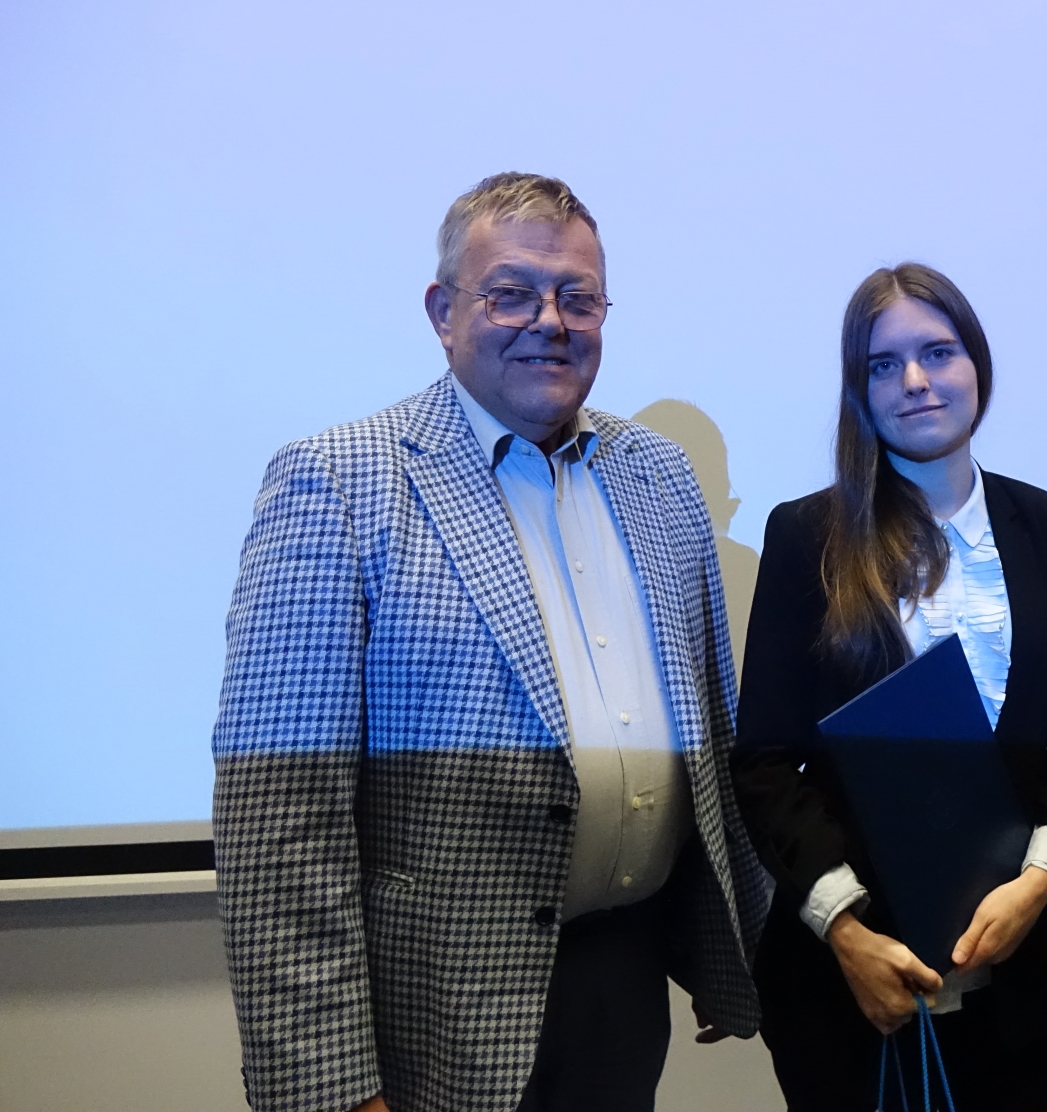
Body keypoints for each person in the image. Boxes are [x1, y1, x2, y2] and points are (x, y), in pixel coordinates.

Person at [212, 173, 770, 1112]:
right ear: (444, 312)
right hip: (432, 1019)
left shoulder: (659, 477)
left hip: (624, 979)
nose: (550, 321)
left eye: (578, 298)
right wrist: (330, 1088)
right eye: (511, 292)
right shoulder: (338, 484)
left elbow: (708, 727)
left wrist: (726, 939)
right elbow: (279, 815)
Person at [733, 263, 1047, 1112]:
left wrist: (1038, 882)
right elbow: (764, 761)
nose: (914, 380)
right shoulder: (807, 536)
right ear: (859, 389)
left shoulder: (1042, 522)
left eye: (937, 352)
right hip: (851, 986)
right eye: (884, 364)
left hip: (1025, 980)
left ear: (977, 363)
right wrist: (845, 928)